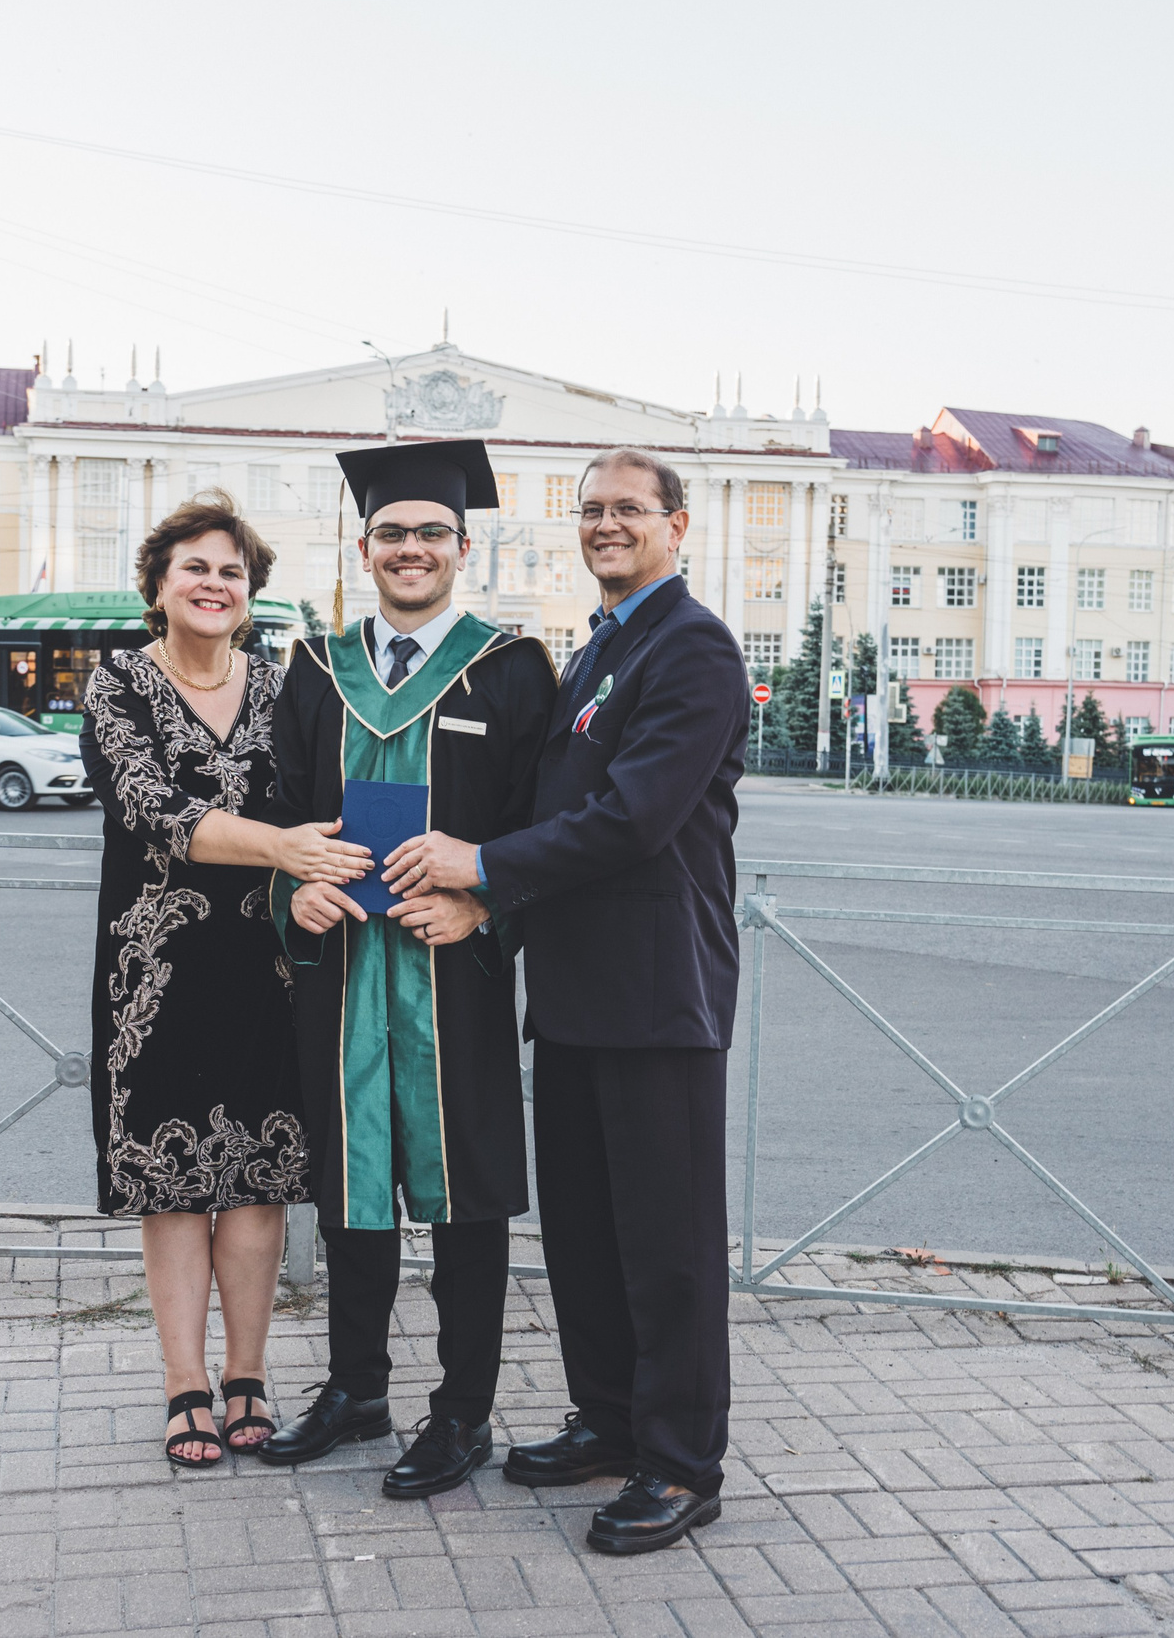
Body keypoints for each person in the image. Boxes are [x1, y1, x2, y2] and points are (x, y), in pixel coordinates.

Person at [389, 446, 747, 1554]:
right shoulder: (602, 647)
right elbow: (559, 803)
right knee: (589, 1236)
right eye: (591, 511)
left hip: (658, 994)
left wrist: (478, 871)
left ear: (676, 527)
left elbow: (631, 819)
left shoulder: (692, 649)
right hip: (581, 993)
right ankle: (606, 1420)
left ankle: (682, 1465)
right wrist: (496, 902)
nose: (605, 526)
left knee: (669, 1244)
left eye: (628, 511)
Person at [255, 439, 559, 1500]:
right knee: (352, 1194)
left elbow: (547, 829)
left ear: (462, 548)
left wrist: (482, 904)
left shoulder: (510, 670)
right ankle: (356, 1390)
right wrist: (292, 891)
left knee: (463, 1199)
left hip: (453, 979)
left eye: (432, 533)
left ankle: (463, 1410)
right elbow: (278, 819)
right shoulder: (311, 671)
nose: (412, 549)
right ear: (364, 545)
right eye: (393, 533)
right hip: (340, 978)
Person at [78, 494, 374, 1470]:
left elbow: (315, 793)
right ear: (158, 586)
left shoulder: (282, 682)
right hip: (154, 974)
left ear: (249, 595)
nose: (213, 584)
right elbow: (152, 808)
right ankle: (184, 1386)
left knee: (256, 1185)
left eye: (232, 572)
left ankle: (247, 1377)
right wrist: (284, 848)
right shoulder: (117, 681)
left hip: (266, 967)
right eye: (195, 568)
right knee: (173, 1187)